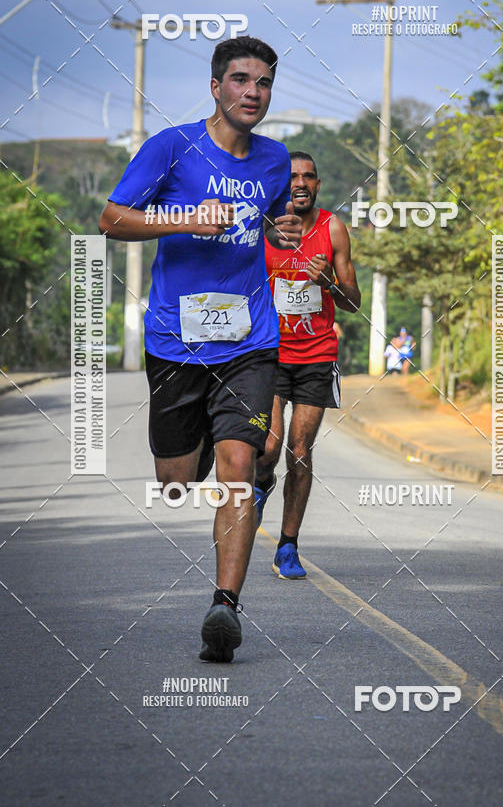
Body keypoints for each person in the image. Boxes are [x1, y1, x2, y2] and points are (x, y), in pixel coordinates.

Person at [99, 36, 302, 662]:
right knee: (176, 482)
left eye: (263, 83)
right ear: (216, 87)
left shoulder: (274, 160)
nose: (253, 93)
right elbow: (111, 219)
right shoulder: (171, 148)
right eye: (241, 80)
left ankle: (225, 607)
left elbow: (264, 221)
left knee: (240, 470)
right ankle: (202, 448)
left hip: (249, 341)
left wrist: (281, 229)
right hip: (175, 341)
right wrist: (183, 218)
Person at [254, 152, 361, 579]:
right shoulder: (262, 227)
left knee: (300, 450)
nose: (300, 183)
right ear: (282, 183)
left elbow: (354, 302)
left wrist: (329, 282)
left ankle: (287, 546)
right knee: (268, 448)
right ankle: (262, 484)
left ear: (317, 184)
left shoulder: (332, 228)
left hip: (317, 355)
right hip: (270, 353)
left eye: (308, 177)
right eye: (292, 176)